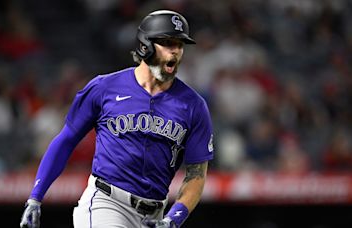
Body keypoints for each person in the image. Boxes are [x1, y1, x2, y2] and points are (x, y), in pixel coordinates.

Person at [20, 9, 214, 228]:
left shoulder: (193, 105)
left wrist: (174, 218)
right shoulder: (104, 87)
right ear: (145, 46)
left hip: (155, 215)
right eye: (167, 43)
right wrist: (36, 197)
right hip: (107, 202)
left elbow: (197, 174)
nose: (175, 51)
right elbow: (66, 140)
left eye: (179, 45)